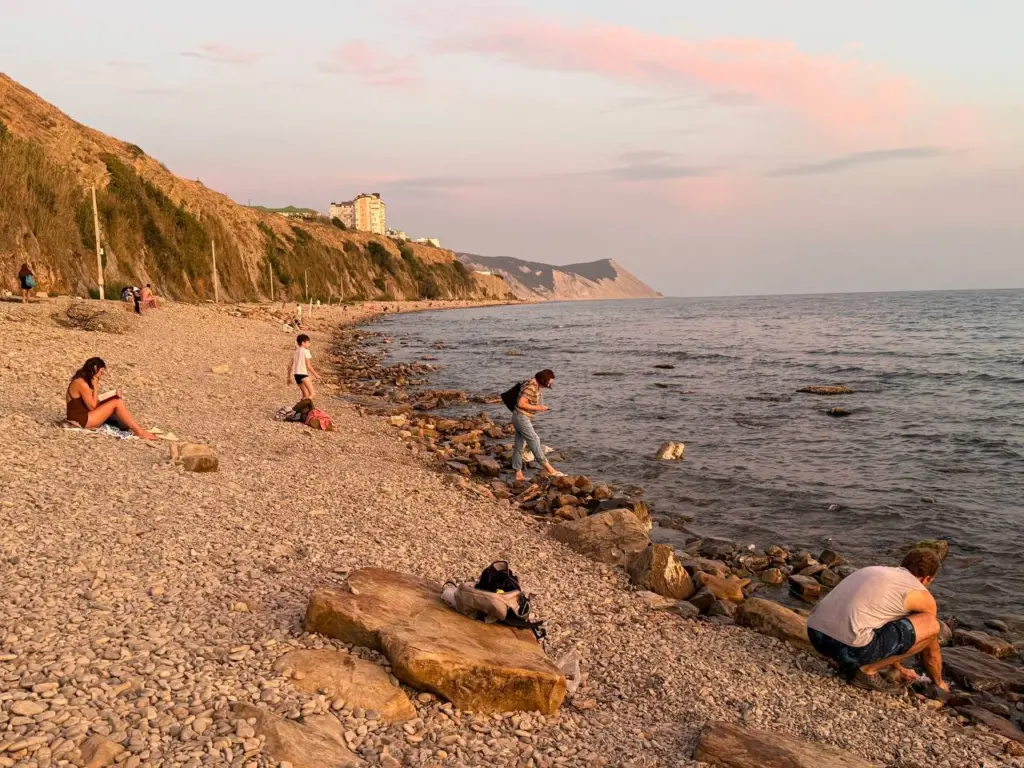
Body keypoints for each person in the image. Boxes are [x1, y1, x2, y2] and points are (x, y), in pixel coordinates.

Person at [807, 548, 947, 693]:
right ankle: (867, 671)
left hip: (815, 635)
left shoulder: (873, 570)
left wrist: (899, 668)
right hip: (848, 647)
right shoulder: (921, 595)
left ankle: (853, 664)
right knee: (932, 624)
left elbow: (886, 623)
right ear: (928, 579)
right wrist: (939, 682)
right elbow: (930, 644)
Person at [65, 357, 155, 439]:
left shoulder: (82, 381)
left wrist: (111, 396)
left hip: (84, 417)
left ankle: (134, 427)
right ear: (95, 369)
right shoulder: (81, 383)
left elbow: (93, 402)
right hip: (81, 420)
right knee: (117, 402)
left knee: (116, 401)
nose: (101, 376)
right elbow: (92, 407)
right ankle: (140, 432)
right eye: (101, 372)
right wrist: (96, 386)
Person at [511, 369, 565, 482]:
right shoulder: (532, 386)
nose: (550, 384)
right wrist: (539, 408)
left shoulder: (532, 383)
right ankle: (550, 469)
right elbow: (521, 403)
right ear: (544, 379)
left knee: (519, 445)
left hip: (518, 416)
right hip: (521, 417)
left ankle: (518, 473)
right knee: (534, 441)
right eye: (550, 382)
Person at [289, 334, 319, 400]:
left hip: (296, 375)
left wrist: (288, 378)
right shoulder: (306, 351)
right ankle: (302, 408)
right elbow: (308, 365)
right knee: (312, 394)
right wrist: (316, 375)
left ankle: (301, 409)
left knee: (305, 395)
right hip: (303, 374)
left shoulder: (296, 351)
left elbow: (289, 366)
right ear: (303, 343)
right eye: (308, 342)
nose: (309, 344)